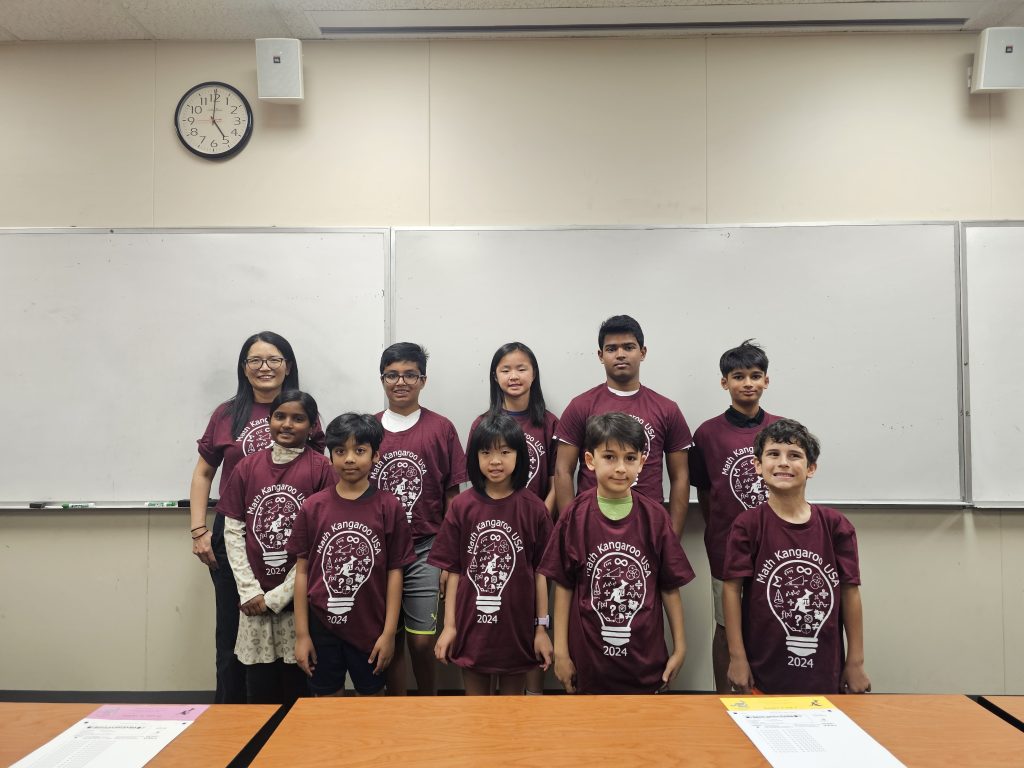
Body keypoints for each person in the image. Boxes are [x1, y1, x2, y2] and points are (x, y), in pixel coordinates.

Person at [189, 331, 325, 703]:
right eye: (255, 360)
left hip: (294, 543)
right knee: (233, 631)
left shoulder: (305, 413)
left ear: (288, 366)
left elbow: (321, 479)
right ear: (244, 368)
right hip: (236, 536)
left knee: (292, 630)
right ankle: (231, 721)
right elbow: (204, 473)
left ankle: (289, 725)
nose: (265, 367)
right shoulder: (226, 414)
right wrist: (199, 530)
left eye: (274, 359)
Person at [540, 412, 694, 694]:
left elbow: (669, 586)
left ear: (643, 462)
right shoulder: (575, 515)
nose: (620, 468)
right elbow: (563, 585)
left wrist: (680, 647)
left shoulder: (655, 517)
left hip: (646, 664)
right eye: (609, 457)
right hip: (589, 664)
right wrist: (561, 652)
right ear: (590, 461)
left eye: (630, 458)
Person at [722, 419, 871, 695]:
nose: (783, 463)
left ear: (811, 468)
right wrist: (737, 657)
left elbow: (850, 592)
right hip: (764, 673)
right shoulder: (748, 525)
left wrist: (856, 661)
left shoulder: (836, 526)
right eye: (773, 454)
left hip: (825, 674)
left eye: (795, 456)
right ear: (757, 465)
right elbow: (731, 591)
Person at [219, 390, 334, 704]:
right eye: (280, 416)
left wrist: (278, 597)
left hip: (297, 600)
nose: (287, 424)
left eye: (298, 419)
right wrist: (249, 590)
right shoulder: (247, 467)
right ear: (268, 420)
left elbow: (321, 543)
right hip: (253, 599)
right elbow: (233, 529)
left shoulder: (322, 469)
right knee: (258, 687)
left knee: (298, 683)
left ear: (312, 426)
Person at [289, 413, 416, 697]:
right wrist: (302, 635)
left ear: (375, 456)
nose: (349, 459)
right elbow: (301, 571)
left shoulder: (389, 506)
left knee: (371, 707)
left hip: (370, 627)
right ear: (330, 456)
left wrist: (389, 633)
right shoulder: (313, 507)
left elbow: (395, 573)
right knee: (326, 706)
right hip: (322, 625)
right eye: (340, 451)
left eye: (359, 451)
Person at [369, 342, 468, 695]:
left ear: (423, 380)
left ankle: (427, 703)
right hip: (379, 552)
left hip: (427, 548)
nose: (401, 382)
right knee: (388, 636)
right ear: (382, 379)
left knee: (423, 641)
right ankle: (397, 707)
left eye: (410, 374)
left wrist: (448, 559)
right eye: (392, 375)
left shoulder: (441, 428)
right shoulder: (368, 430)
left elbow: (452, 498)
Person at [430, 414, 554, 695]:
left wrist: (540, 629)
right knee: (476, 711)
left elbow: (541, 573)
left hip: (517, 627)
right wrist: (449, 627)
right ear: (474, 458)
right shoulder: (462, 506)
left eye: (505, 452)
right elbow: (454, 572)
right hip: (471, 626)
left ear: (519, 456)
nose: (495, 461)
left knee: (512, 710)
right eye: (486, 452)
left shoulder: (534, 508)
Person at [689, 339, 782, 693]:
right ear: (724, 382)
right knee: (726, 625)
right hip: (726, 549)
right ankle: (724, 698)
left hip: (774, 546)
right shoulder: (707, 433)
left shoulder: (781, 430)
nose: (748, 383)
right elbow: (707, 494)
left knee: (770, 620)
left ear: (766, 381)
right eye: (738, 376)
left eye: (755, 376)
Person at [553, 315, 692, 536]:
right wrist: (570, 530)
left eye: (628, 347)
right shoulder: (581, 406)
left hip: (649, 527)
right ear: (601, 355)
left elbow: (681, 477)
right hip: (591, 525)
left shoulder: (667, 409)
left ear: (642, 352)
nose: (620, 354)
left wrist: (672, 537)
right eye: (611, 349)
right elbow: (562, 471)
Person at [467, 342, 559, 514]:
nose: (514, 376)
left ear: (534, 374)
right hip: (495, 518)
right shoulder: (482, 424)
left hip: (538, 521)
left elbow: (557, 481)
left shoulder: (551, 424)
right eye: (506, 370)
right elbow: (476, 478)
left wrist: (541, 518)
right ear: (495, 376)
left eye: (521, 369)